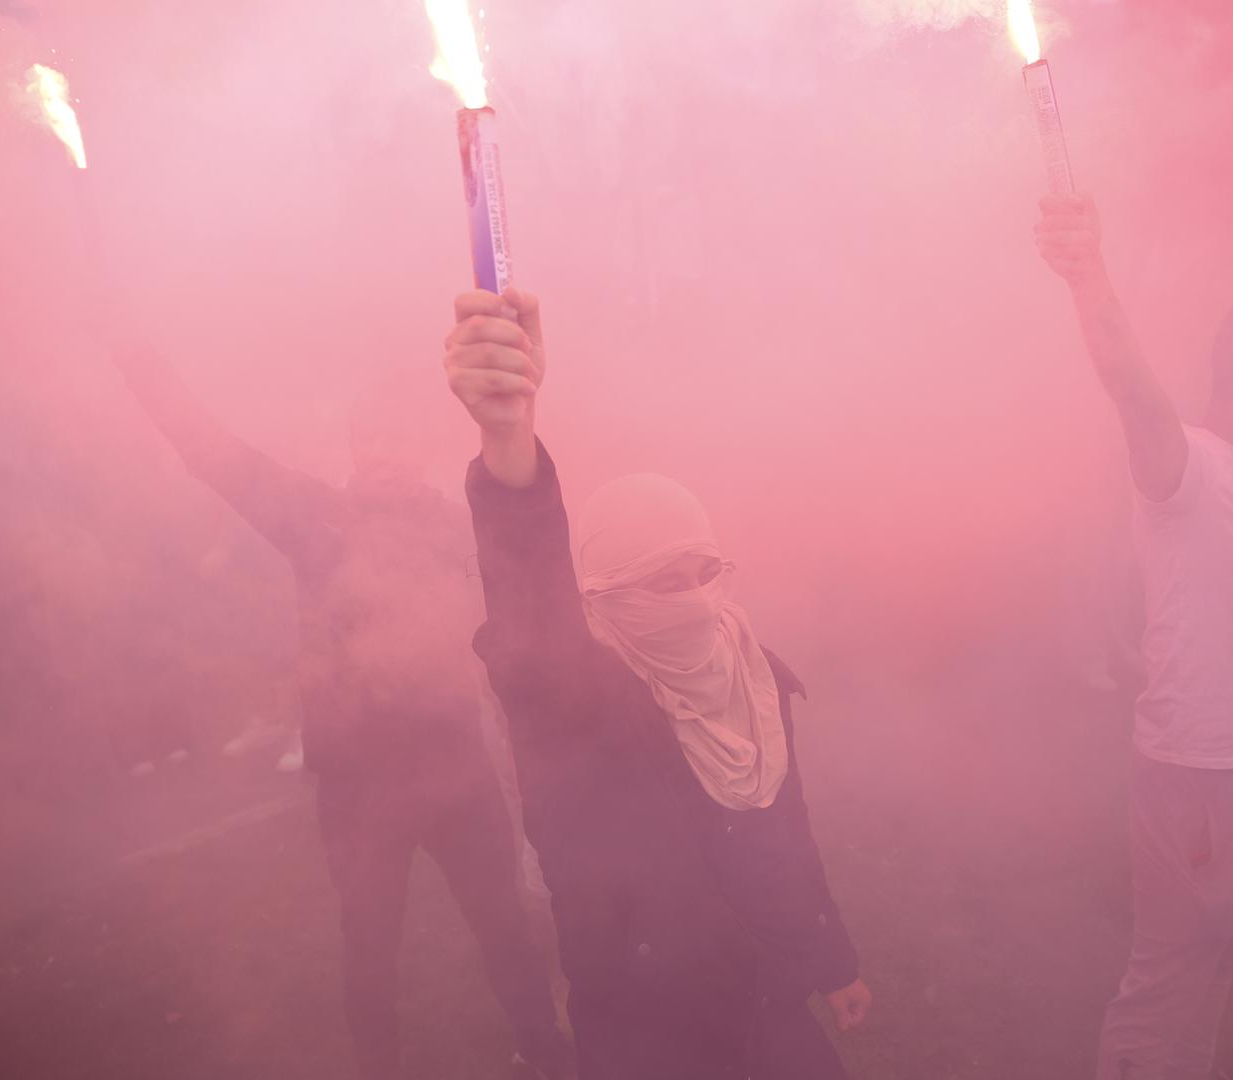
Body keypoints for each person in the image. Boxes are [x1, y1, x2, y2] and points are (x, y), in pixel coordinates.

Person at [443, 286, 871, 1080]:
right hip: (647, 1032)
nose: (695, 598)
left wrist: (832, 960)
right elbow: (530, 594)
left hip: (769, 1004)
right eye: (661, 580)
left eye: (704, 571)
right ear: (599, 596)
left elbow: (786, 843)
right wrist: (509, 440)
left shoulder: (751, 675)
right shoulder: (573, 700)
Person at [114, 350, 570, 1080]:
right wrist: (142, 371)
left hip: (456, 764)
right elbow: (215, 454)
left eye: (396, 439)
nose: (382, 454)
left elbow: (535, 566)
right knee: (369, 945)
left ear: (419, 451)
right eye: (370, 440)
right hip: (360, 787)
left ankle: (546, 1055)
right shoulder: (315, 516)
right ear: (354, 450)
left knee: (504, 929)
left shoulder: (459, 526)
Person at [1034, 195, 1233, 1080]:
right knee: (1166, 982)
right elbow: (1129, 386)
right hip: (1197, 775)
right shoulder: (1184, 469)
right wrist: (1085, 270)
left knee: (1219, 969)